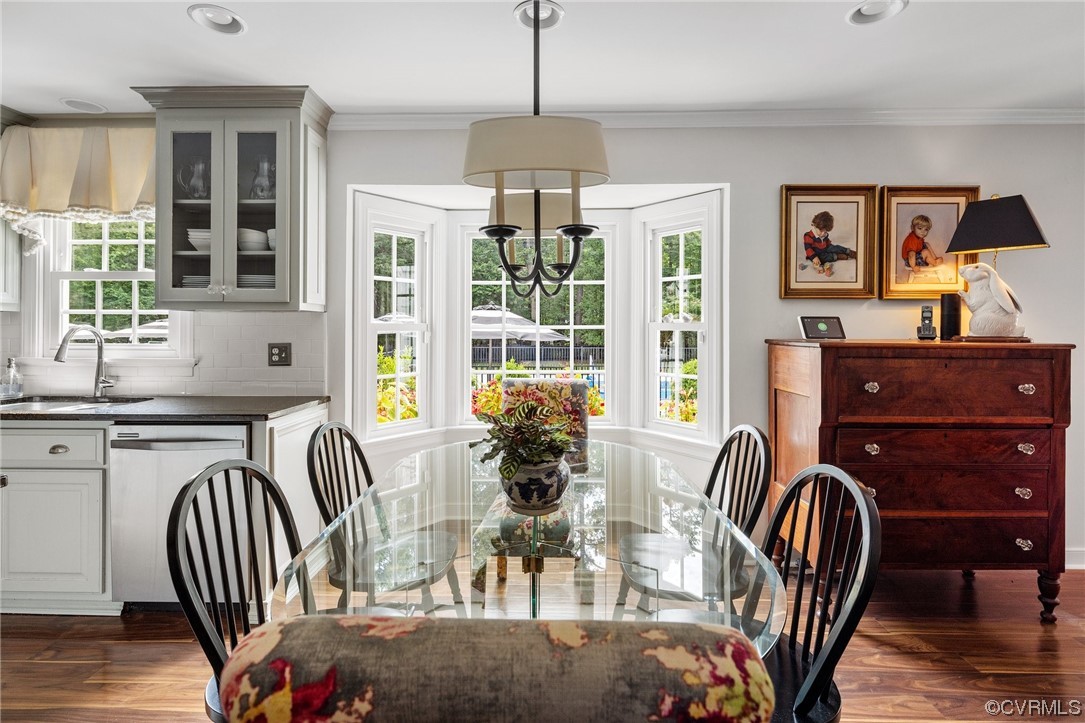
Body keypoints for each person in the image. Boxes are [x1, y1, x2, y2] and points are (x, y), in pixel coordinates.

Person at [800, 211, 857, 278]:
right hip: (816, 253)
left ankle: (850, 252)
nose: (823, 234)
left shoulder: (824, 234)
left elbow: (826, 240)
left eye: (825, 232)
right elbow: (808, 249)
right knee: (824, 258)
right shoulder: (808, 236)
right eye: (821, 231)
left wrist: (831, 246)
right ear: (814, 225)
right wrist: (814, 257)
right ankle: (837, 256)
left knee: (836, 247)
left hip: (826, 247)